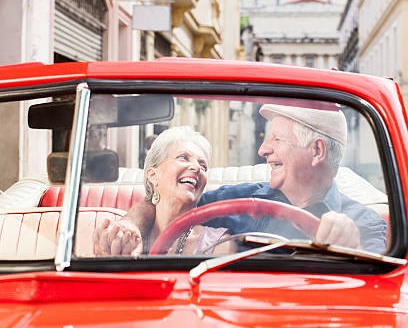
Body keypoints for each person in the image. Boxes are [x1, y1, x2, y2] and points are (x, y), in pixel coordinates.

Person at [93, 102, 387, 256]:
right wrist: (131, 223)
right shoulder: (238, 201)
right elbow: (166, 203)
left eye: (277, 139)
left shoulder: (364, 223)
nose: (263, 149)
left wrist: (353, 250)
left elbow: (377, 293)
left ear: (317, 150)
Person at [93, 126, 233, 257]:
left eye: (203, 166)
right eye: (183, 157)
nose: (197, 168)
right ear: (153, 175)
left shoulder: (221, 245)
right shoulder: (121, 235)